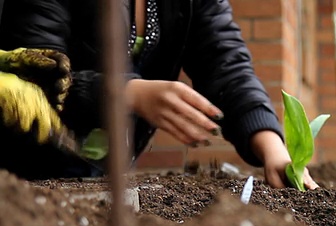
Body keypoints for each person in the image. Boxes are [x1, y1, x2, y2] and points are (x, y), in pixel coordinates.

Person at [0, 0, 318, 189]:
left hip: (109, 172)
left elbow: (226, 64)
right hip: (25, 170)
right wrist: (125, 94)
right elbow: (31, 70)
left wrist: (273, 149)